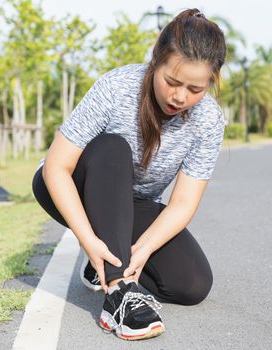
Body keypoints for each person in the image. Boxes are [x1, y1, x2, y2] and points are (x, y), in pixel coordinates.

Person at [31, 8, 226, 341]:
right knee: (112, 147)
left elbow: (182, 203)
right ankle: (119, 295)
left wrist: (144, 249)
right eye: (172, 82)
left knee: (192, 284)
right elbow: (56, 166)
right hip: (71, 186)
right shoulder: (118, 88)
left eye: (195, 89)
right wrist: (88, 239)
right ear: (155, 63)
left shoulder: (208, 120)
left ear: (211, 82)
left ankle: (105, 262)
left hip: (132, 204)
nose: (180, 96)